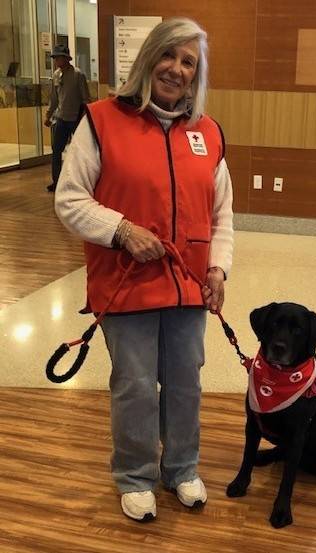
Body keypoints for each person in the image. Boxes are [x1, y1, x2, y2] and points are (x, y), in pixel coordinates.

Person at [54, 17, 234, 521]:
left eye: (188, 62)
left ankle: (181, 468)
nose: (176, 69)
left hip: (188, 287)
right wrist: (122, 230)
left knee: (185, 381)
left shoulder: (209, 132)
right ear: (149, 57)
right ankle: (135, 476)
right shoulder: (102, 120)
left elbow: (223, 214)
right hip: (126, 284)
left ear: (197, 75)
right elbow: (69, 200)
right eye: (169, 56)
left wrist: (218, 269)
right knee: (134, 384)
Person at [44, 44, 90, 192]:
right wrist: (48, 115)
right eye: (55, 58)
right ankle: (56, 181)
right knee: (56, 151)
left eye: (58, 57)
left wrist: (85, 119)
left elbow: (85, 99)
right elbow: (54, 98)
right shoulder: (56, 75)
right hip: (61, 119)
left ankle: (80, 182)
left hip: (75, 119)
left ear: (66, 58)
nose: (56, 60)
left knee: (79, 152)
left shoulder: (78, 75)